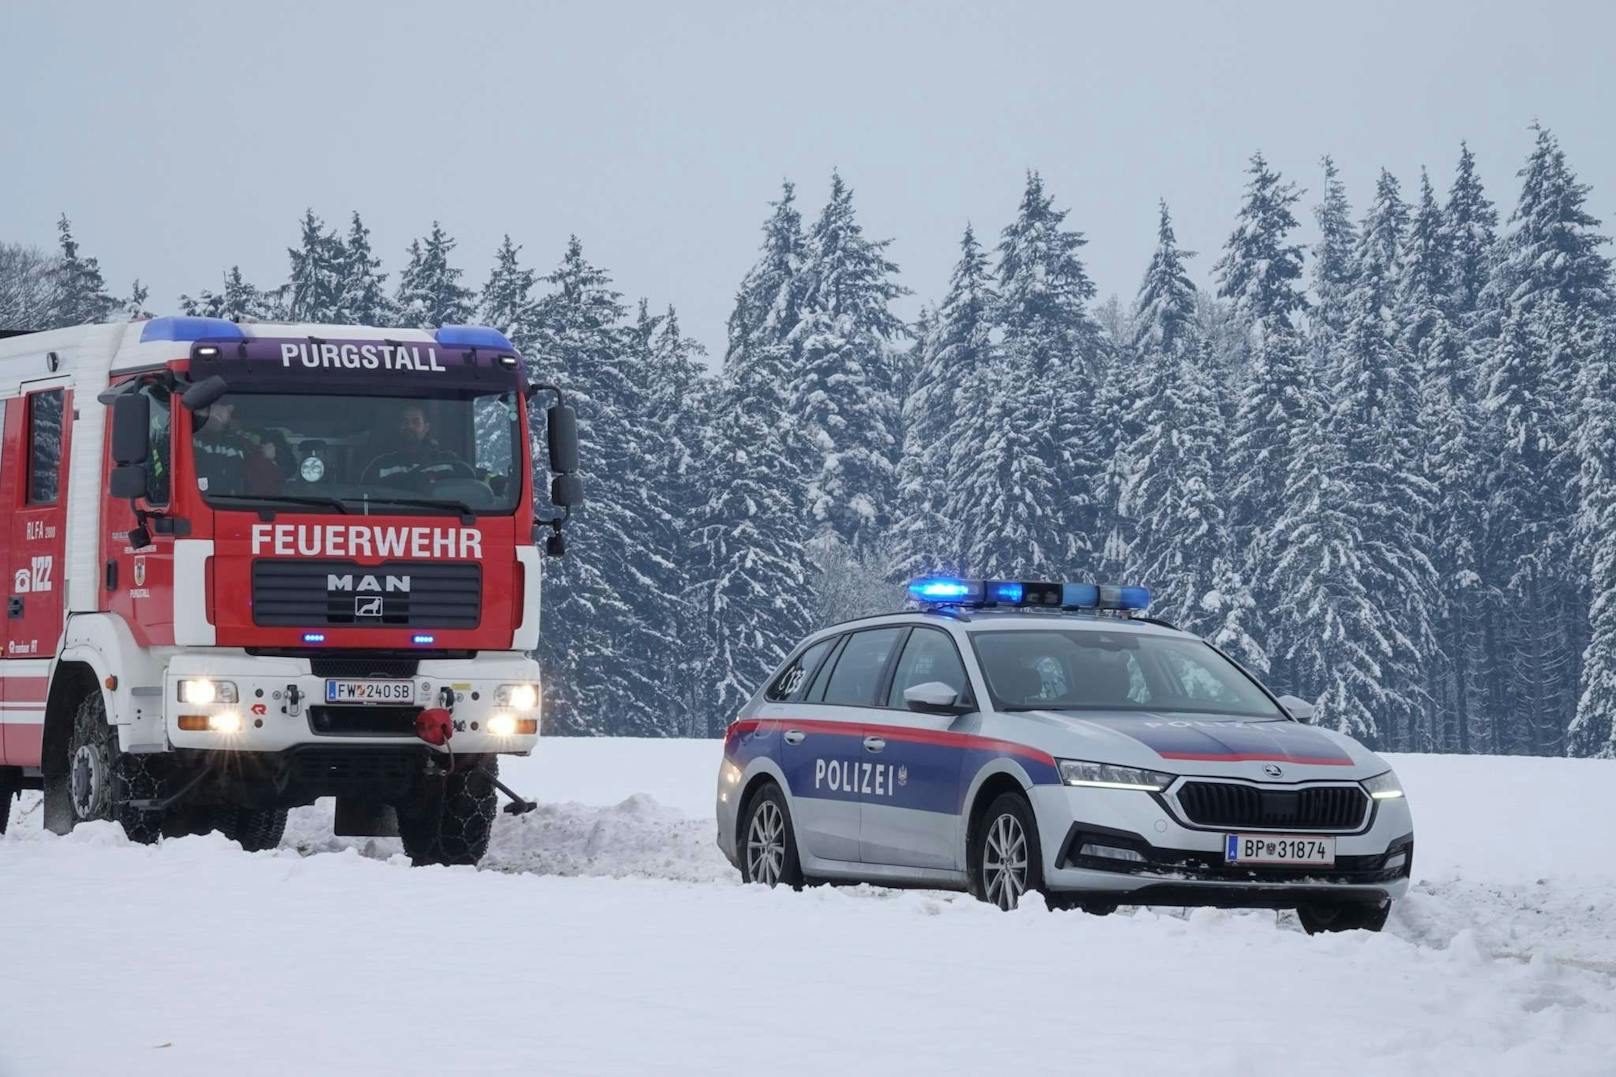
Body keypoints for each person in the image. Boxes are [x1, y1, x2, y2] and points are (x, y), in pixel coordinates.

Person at [361, 403, 468, 487]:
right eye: (404, 422)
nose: (409, 426)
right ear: (398, 427)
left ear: (426, 428)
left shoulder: (450, 462)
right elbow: (365, 504)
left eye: (415, 422)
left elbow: (467, 494)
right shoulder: (380, 465)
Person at [193, 401, 281, 496]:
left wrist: (265, 458)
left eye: (228, 410)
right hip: (198, 501)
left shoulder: (244, 446)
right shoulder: (189, 439)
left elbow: (265, 489)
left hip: (236, 505)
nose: (218, 413)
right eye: (213, 407)